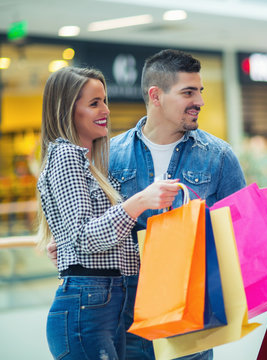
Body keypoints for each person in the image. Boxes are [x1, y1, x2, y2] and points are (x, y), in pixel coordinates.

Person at [48, 49, 246, 360]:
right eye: (188, 92)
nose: (200, 101)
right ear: (156, 95)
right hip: (124, 314)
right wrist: (65, 244)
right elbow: (87, 224)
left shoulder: (218, 156)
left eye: (201, 91)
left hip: (189, 316)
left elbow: (243, 232)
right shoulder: (108, 155)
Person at [37, 66, 181, 359]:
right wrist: (140, 201)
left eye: (105, 101)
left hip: (105, 302)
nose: (105, 110)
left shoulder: (94, 166)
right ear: (67, 110)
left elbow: (84, 238)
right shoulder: (66, 155)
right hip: (87, 306)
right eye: (94, 103)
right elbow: (85, 238)